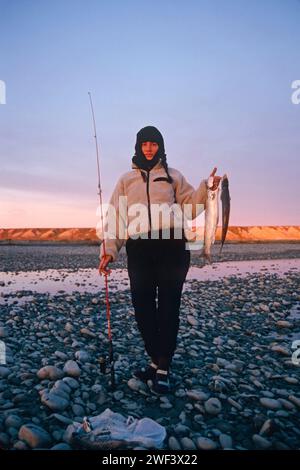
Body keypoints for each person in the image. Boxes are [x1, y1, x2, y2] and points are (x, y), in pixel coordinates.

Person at [99, 126, 221, 394]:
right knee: (142, 306)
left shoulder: (173, 176)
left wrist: (208, 188)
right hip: (139, 250)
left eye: (154, 144)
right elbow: (115, 218)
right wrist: (109, 251)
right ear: (138, 146)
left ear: (160, 147)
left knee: (168, 307)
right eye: (145, 144)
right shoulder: (125, 180)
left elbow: (191, 207)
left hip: (173, 248)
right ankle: (156, 359)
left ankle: (162, 366)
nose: (149, 148)